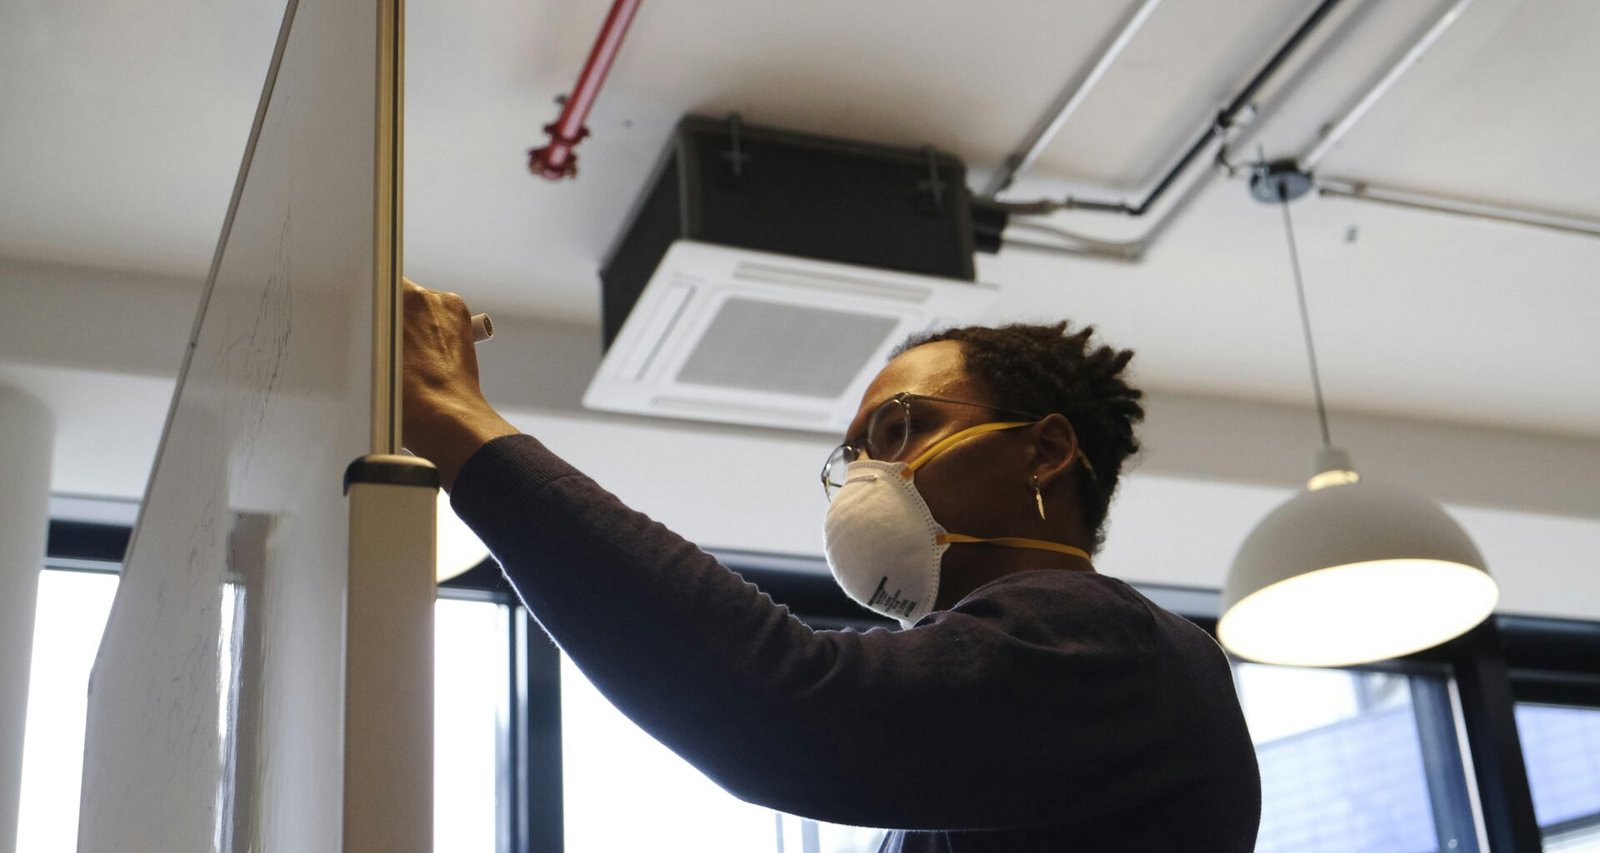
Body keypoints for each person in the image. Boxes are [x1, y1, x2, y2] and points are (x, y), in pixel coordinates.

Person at [401, 279, 1262, 852]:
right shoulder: (1023, 695)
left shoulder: (1107, 641)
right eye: (853, 457)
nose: (866, 477)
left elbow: (786, 700)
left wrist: (455, 421)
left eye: (897, 429)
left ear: (1043, 452)